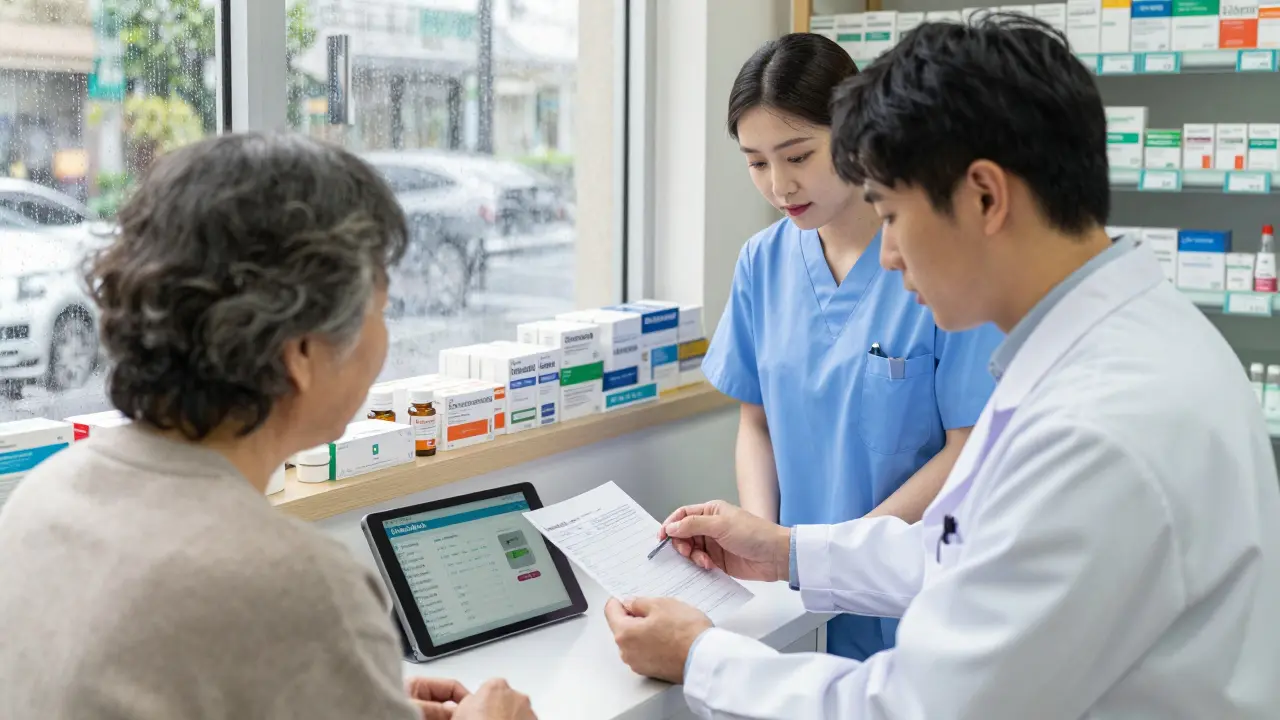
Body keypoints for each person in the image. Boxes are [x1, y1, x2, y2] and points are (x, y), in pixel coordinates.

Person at [605, 16, 1280, 718]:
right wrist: (788, 551)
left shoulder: (1097, 428)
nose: (889, 256)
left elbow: (919, 708)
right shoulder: (1114, 342)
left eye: (892, 214)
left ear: (985, 196)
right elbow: (963, 554)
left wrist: (701, 657)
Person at [0, 133, 535, 720]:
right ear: (301, 352)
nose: (385, 336)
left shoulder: (40, 499)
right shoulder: (305, 590)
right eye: (380, 311)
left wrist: (349, 694)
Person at [699, 32, 1004, 660]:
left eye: (798, 155)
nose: (780, 185)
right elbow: (755, 422)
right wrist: (768, 543)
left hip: (911, 599)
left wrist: (831, 559)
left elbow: (967, 448)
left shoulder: (936, 258)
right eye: (757, 163)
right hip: (795, 599)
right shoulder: (763, 262)